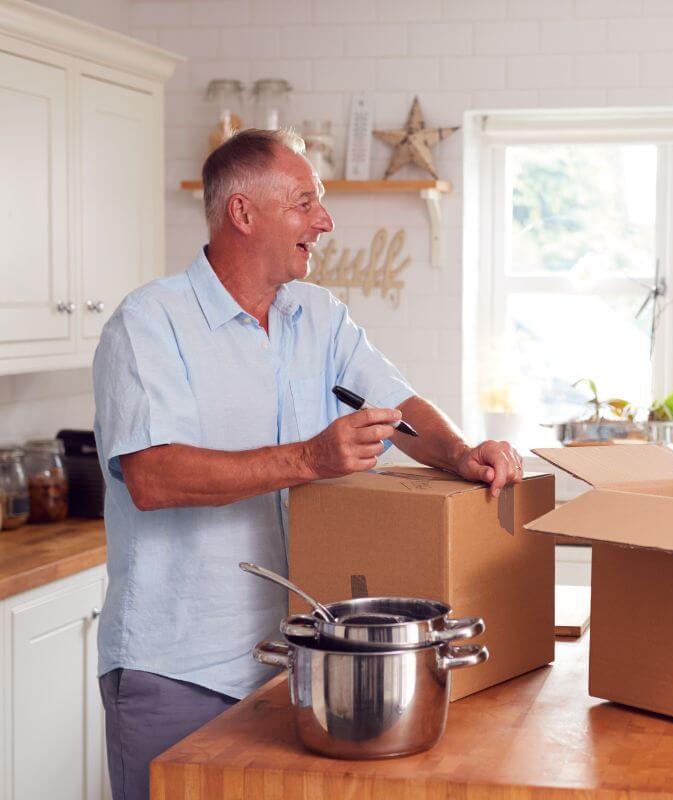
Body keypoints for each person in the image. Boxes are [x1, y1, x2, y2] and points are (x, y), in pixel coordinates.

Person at [91, 129, 523, 800]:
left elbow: (399, 404)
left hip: (293, 667)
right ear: (242, 213)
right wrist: (312, 457)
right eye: (304, 203)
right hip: (177, 670)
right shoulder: (149, 323)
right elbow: (153, 477)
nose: (323, 222)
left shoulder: (317, 315)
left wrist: (463, 454)